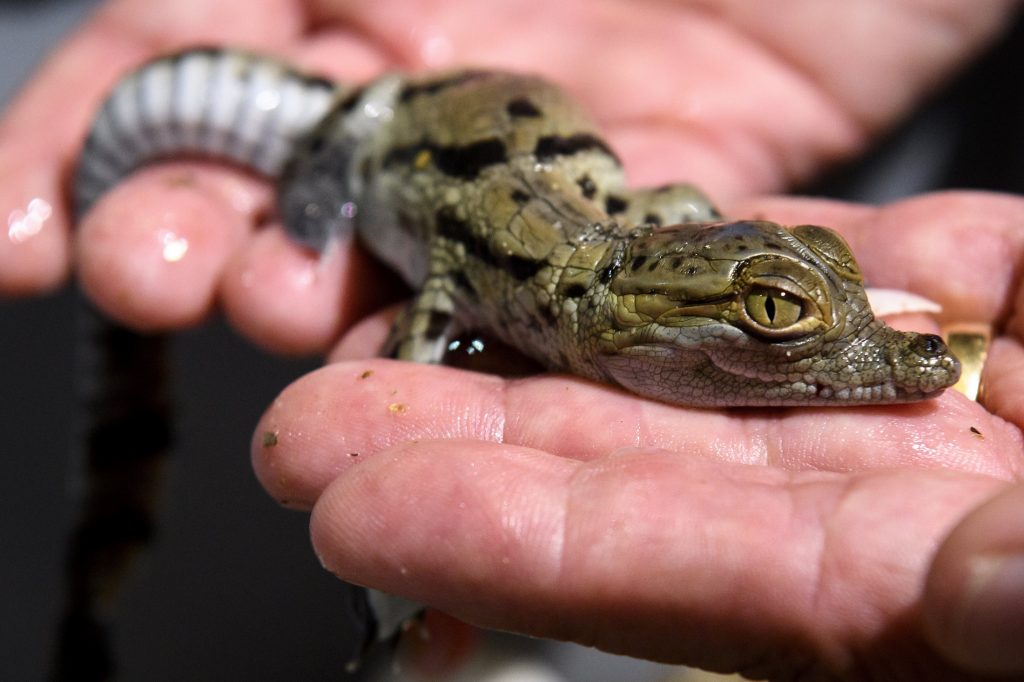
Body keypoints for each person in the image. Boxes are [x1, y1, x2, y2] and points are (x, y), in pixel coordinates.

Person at [2, 0, 1022, 678]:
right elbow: (403, 383)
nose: (904, 364)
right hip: (378, 125)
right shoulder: (488, 280)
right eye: (776, 318)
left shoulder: (615, 254)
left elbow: (678, 202)